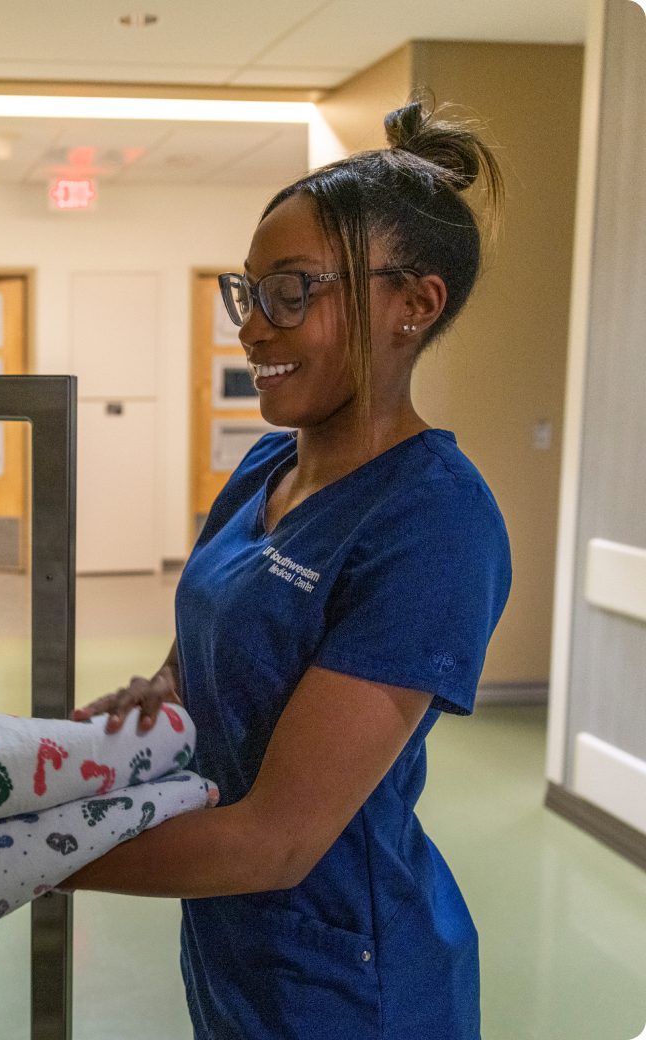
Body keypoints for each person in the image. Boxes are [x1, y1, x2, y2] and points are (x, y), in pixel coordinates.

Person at [64, 97, 512, 1040]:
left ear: (413, 305)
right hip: (232, 945)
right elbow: (215, 640)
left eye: (293, 292)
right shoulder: (271, 465)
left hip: (346, 978)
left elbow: (276, 841)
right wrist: (158, 695)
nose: (254, 329)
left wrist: (2, 856)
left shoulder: (434, 524)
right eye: (249, 292)